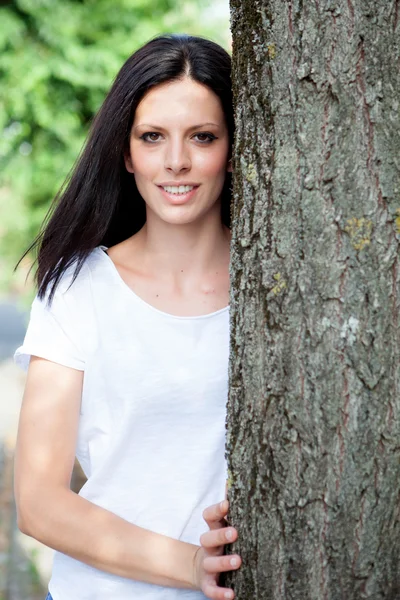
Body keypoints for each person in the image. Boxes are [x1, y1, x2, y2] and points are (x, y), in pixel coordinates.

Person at [13, 33, 242, 600]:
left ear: (235, 147)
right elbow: (39, 504)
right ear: (126, 150)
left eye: (203, 137)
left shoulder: (279, 292)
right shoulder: (79, 288)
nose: (177, 162)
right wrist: (191, 565)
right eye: (153, 137)